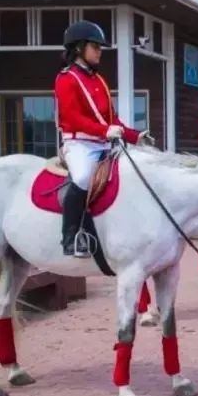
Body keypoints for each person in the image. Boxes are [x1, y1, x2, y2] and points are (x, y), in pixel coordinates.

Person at [55, 20, 145, 257]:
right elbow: (73, 117)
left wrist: (136, 136)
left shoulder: (98, 80)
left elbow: (112, 118)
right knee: (83, 178)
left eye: (99, 47)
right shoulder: (66, 78)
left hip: (103, 143)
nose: (99, 51)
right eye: (95, 47)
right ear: (79, 48)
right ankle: (71, 237)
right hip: (80, 144)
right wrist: (104, 131)